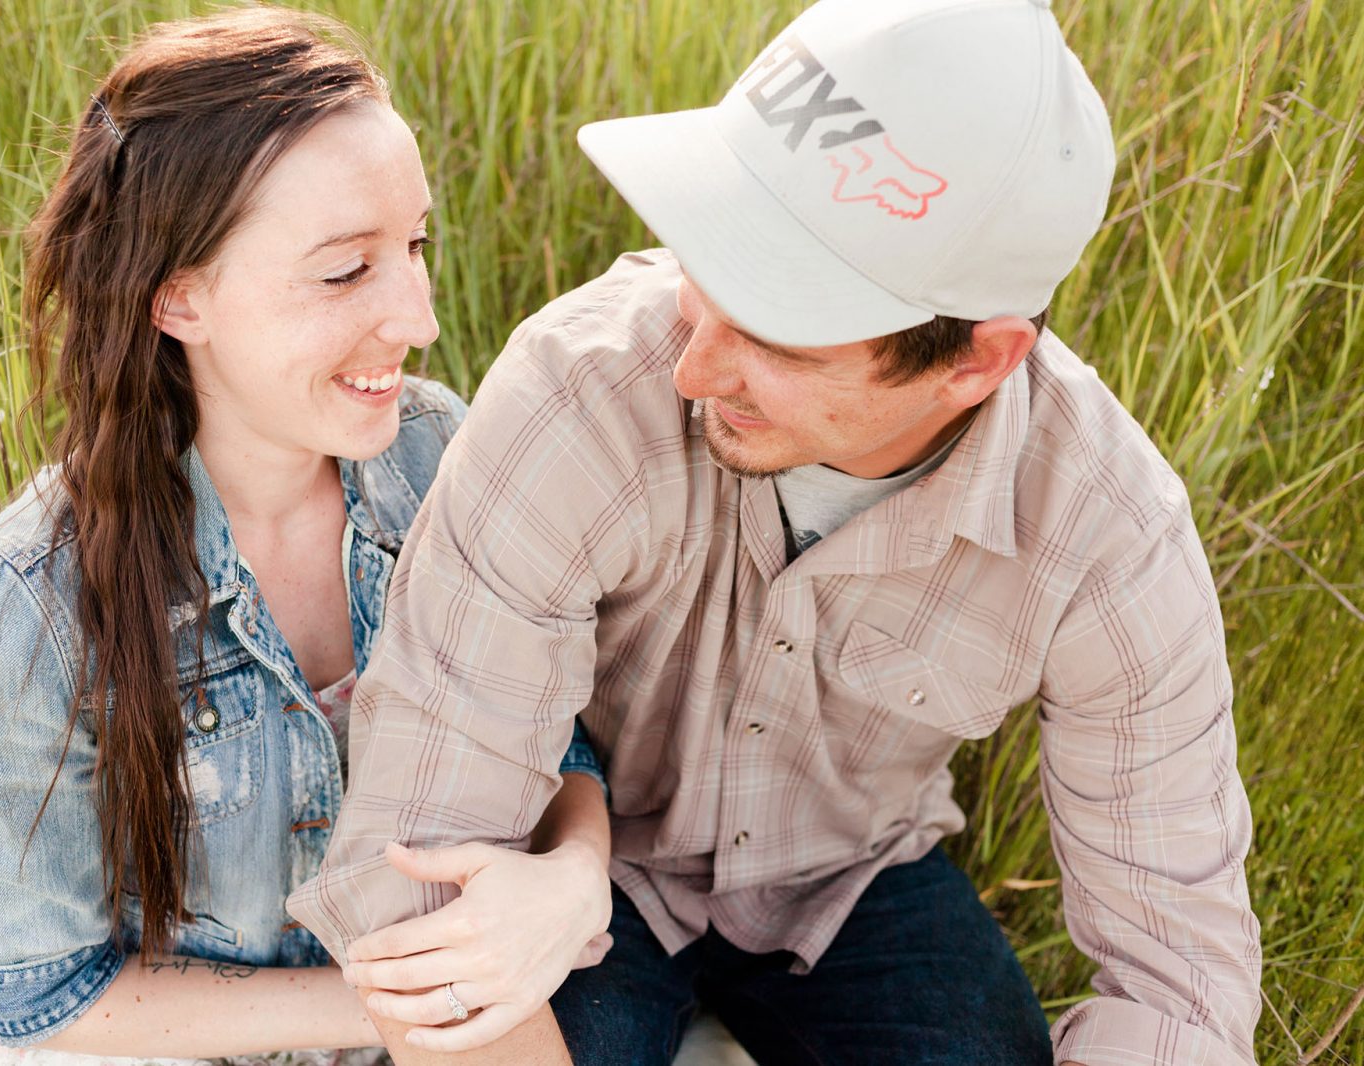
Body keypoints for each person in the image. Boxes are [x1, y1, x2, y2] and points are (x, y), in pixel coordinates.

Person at [286, 1, 1263, 1064]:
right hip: (575, 867)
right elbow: (425, 849)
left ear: (976, 360)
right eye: (713, 260)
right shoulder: (579, 387)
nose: (693, 369)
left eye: (780, 328)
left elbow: (1177, 984)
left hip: (852, 881)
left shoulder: (1108, 538)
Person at [0, 9, 612, 1065]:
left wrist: (571, 877)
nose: (417, 317)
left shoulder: (439, 455)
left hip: (423, 1005)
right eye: (345, 272)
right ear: (177, 295)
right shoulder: (27, 600)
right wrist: (389, 1007)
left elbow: (549, 739)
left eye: (416, 246)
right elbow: (48, 996)